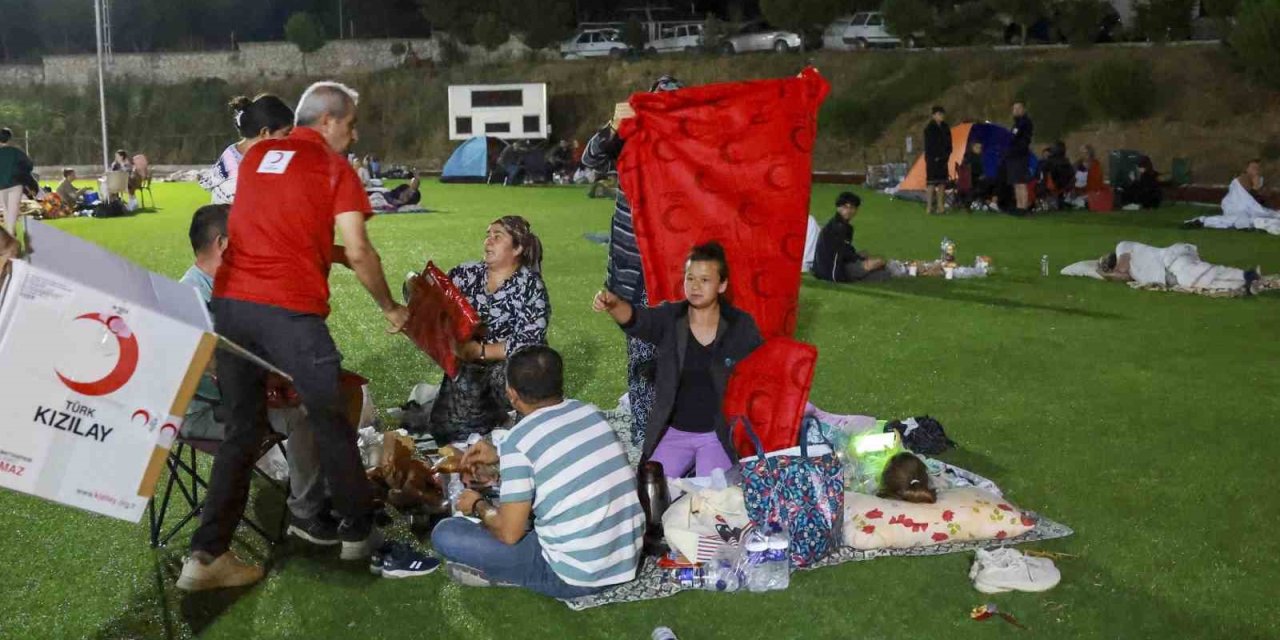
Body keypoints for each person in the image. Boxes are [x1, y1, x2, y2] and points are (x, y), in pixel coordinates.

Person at [177, 81, 410, 592]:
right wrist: (391, 306)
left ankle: (206, 554)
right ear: (327, 121)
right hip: (289, 312)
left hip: (233, 308)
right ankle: (355, 530)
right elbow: (362, 248)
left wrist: (330, 257)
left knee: (243, 429)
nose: (353, 135)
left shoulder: (257, 159)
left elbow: (270, 233)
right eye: (350, 124)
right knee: (329, 415)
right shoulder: (333, 167)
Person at [432, 346, 644, 598]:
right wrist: (500, 454)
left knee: (446, 533)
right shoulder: (590, 413)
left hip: (574, 576)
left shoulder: (519, 442)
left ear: (511, 394)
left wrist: (477, 505)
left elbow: (509, 533)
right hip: (626, 558)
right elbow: (558, 451)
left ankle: (508, 574)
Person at [177, 204, 332, 543]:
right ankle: (305, 514)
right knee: (304, 413)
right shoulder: (191, 298)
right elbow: (221, 369)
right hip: (204, 412)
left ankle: (321, 489)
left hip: (233, 399)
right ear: (224, 245)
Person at [594, 241, 763, 478]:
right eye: (690, 278)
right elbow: (638, 320)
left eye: (704, 280)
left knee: (712, 502)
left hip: (717, 435)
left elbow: (759, 375)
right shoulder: (671, 318)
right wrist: (613, 304)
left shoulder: (740, 326)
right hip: (674, 432)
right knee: (652, 492)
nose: (695, 286)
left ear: (722, 285)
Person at [581, 74, 685, 448]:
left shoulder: (690, 150)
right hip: (633, 273)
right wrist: (614, 125)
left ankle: (680, 432)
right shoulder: (630, 140)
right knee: (642, 359)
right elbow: (589, 159)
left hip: (676, 276)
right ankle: (647, 436)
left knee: (682, 354)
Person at [426, 215, 550, 444]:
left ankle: (529, 424)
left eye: (497, 236)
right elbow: (434, 304)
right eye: (488, 235)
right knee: (446, 432)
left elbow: (529, 342)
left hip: (509, 367)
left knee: (520, 374)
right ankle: (491, 418)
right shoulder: (466, 274)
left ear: (517, 248)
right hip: (469, 367)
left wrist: (478, 351)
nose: (488, 241)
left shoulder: (530, 286)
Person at [199, 95, 296, 204]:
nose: (290, 139)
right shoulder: (237, 178)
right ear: (265, 132)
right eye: (286, 133)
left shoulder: (237, 152)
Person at [1097, 241, 1262, 295]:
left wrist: (1104, 274)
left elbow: (1122, 269)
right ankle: (1245, 286)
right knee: (1199, 283)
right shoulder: (1133, 273)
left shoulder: (1122, 247)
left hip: (1171, 259)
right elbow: (1123, 277)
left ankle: (1246, 275)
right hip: (1170, 275)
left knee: (1199, 273)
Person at [811, 192, 889, 283]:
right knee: (879, 262)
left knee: (883, 274)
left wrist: (858, 255)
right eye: (845, 207)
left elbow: (843, 249)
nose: (848, 211)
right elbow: (839, 255)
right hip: (835, 271)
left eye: (852, 207)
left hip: (827, 270)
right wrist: (858, 258)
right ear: (838, 207)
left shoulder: (838, 225)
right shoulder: (838, 227)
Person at [1186, 159, 1280, 235]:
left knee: (1270, 216)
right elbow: (1248, 196)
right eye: (1253, 167)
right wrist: (1256, 188)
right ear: (1247, 169)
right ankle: (1202, 221)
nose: (1256, 170)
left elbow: (1264, 198)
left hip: (1252, 208)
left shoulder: (1261, 180)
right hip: (1235, 206)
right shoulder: (1243, 178)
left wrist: (1261, 189)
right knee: (1236, 218)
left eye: (1258, 168)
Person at [0, 127, 34, 235]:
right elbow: (29, 165)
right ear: (9, 138)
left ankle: (10, 238)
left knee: (6, 212)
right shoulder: (16, 152)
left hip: (2, 185)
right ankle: (11, 238)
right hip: (15, 184)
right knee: (13, 213)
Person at [923, 106, 951, 215]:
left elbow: (949, 143)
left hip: (943, 159)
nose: (941, 116)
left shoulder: (946, 127)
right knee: (931, 183)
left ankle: (941, 207)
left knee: (942, 183)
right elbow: (929, 146)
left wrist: (947, 154)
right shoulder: (929, 129)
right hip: (932, 159)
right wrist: (934, 157)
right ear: (934, 115)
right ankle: (929, 207)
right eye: (939, 114)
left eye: (942, 114)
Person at [1007, 101, 1034, 212]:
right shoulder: (1016, 124)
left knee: (1021, 182)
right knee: (1016, 182)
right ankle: (1019, 206)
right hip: (1013, 156)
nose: (1016, 110)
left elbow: (1019, 138)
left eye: (1018, 108)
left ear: (1024, 110)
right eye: (1014, 109)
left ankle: (1024, 206)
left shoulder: (1025, 122)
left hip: (1021, 155)